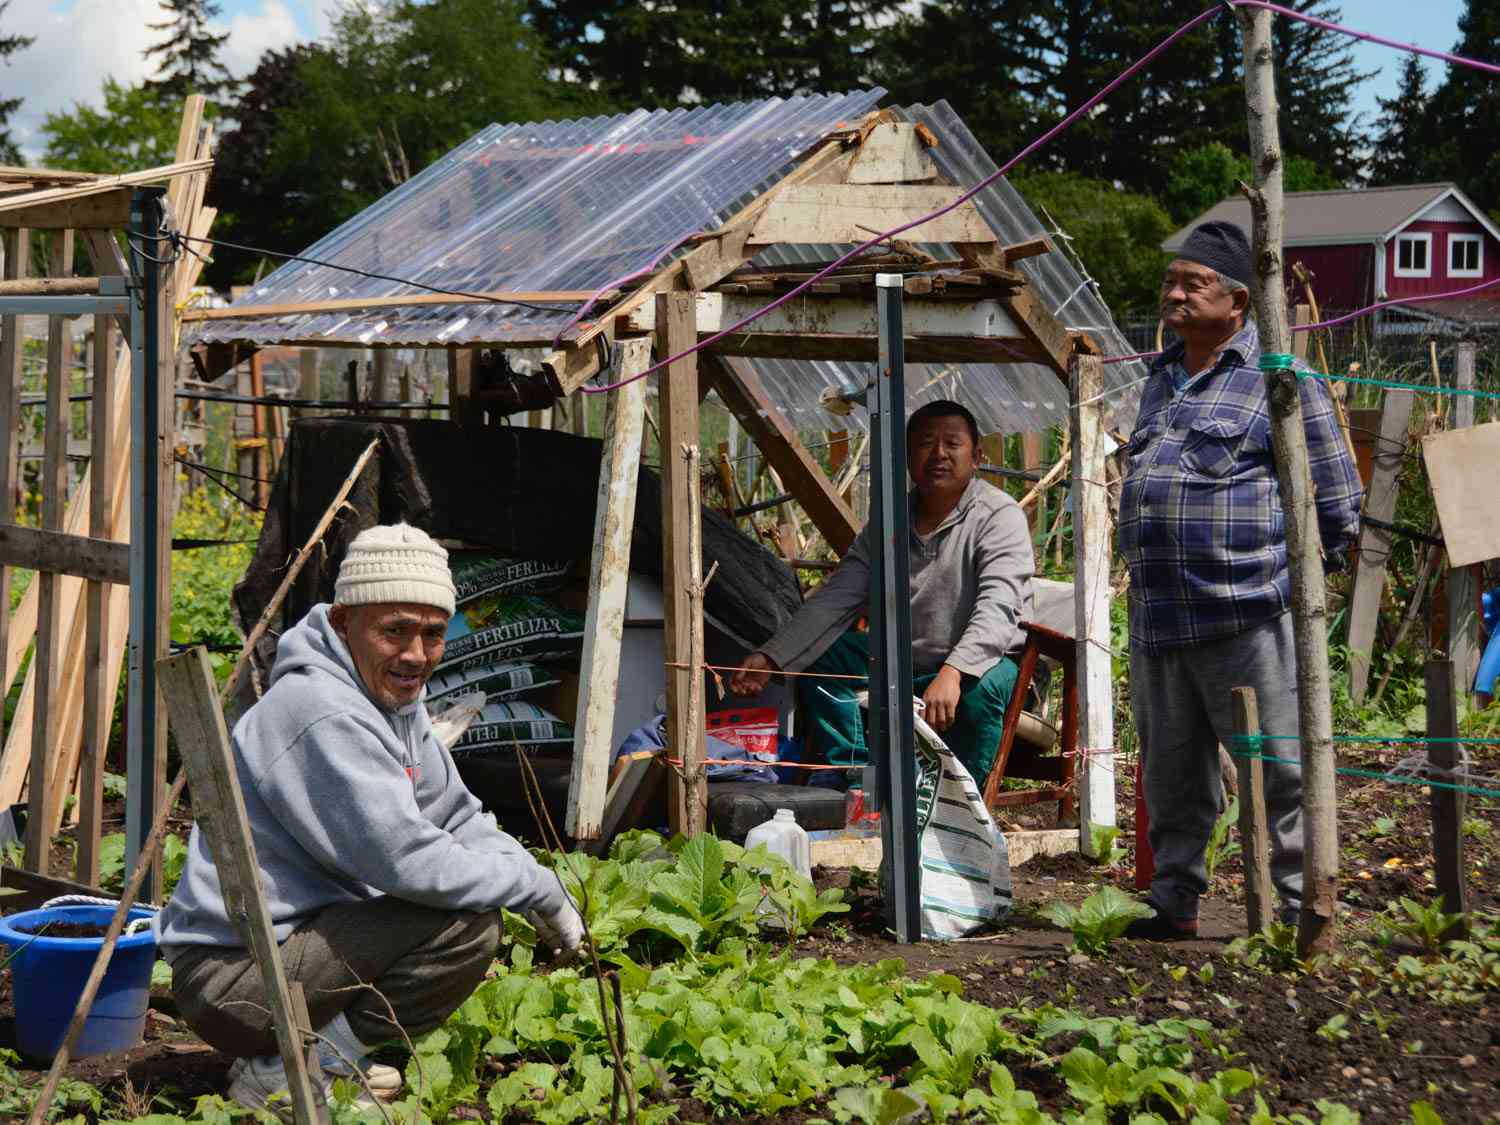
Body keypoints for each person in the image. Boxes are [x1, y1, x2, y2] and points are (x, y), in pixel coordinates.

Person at [155, 523, 583, 1114]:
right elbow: (408, 860)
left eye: (433, 634)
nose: (415, 655)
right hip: (233, 978)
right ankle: (290, 1074)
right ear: (341, 622)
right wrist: (535, 887)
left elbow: (456, 815)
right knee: (465, 924)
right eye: (395, 631)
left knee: (467, 905)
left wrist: (529, 873)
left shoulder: (388, 702)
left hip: (294, 954)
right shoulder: (320, 711)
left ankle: (315, 1059)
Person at [1119, 221, 1363, 940]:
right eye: (1171, 282)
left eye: (1191, 283)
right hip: (1161, 617)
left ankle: (1297, 908)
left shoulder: (1280, 379)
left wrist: (1303, 590)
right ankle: (1174, 900)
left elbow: (1337, 499)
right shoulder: (1161, 377)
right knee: (1172, 774)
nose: (1173, 294)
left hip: (1245, 614)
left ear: (1236, 300)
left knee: (1277, 769)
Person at [729, 400, 1034, 783]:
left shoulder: (998, 515)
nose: (938, 454)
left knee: (980, 692)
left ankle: (959, 810)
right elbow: (837, 597)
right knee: (825, 659)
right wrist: (772, 657)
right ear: (908, 459)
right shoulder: (889, 523)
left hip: (981, 662)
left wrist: (954, 672)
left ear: (977, 457)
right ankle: (859, 780)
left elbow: (998, 607)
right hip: (902, 658)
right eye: (925, 444)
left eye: (952, 443)